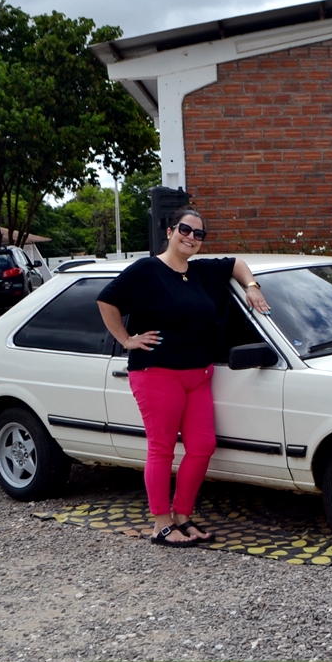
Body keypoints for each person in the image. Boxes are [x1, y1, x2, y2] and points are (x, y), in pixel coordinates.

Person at [96, 209, 270, 547]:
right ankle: (161, 524)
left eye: (199, 234)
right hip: (157, 374)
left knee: (203, 446)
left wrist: (251, 286)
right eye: (185, 230)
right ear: (170, 231)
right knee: (161, 449)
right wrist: (126, 340)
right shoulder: (147, 270)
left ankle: (182, 516)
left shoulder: (201, 271)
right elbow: (106, 300)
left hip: (199, 375)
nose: (191, 237)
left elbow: (236, 264)